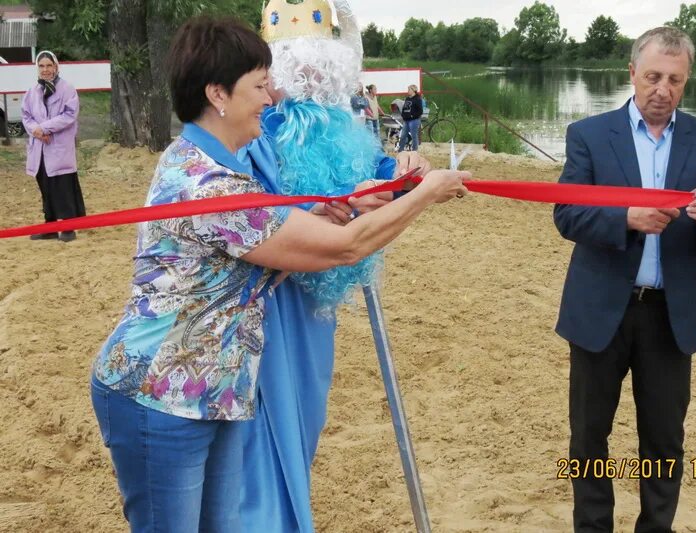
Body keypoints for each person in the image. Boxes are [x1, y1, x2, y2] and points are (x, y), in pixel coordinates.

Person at [89, 16, 467, 532]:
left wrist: (327, 209)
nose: (272, 99)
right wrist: (426, 193)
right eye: (261, 86)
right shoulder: (211, 184)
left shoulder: (217, 165)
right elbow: (344, 248)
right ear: (218, 93)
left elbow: (254, 242)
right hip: (161, 396)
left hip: (215, 391)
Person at [240, 1, 433, 529]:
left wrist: (402, 170)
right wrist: (336, 205)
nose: (310, 74)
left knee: (306, 411)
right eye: (299, 64)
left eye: (319, 63)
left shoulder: (344, 121)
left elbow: (372, 173)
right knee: (270, 414)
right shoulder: (263, 127)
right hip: (270, 291)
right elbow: (258, 206)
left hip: (321, 295)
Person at [553, 26, 696, 532]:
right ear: (632, 74)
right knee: (589, 437)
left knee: (663, 440)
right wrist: (626, 219)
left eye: (675, 80)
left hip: (669, 315)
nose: (663, 89)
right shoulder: (589, 135)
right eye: (654, 76)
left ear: (686, 81)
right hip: (599, 313)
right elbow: (566, 215)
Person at [21, 50, 85, 242]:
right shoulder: (32, 92)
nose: (46, 69)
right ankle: (49, 226)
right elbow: (26, 116)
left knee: (63, 187)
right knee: (46, 187)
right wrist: (37, 131)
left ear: (56, 67)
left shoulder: (67, 89)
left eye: (49, 65)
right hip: (40, 149)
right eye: (42, 66)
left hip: (59, 147)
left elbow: (68, 115)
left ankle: (68, 228)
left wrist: (45, 128)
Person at [397, 84, 423, 152]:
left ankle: (415, 150)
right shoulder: (407, 98)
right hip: (406, 120)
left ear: (413, 90)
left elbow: (420, 111)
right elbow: (404, 108)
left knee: (414, 136)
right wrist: (403, 115)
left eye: (409, 89)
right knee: (403, 135)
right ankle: (400, 149)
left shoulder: (417, 99)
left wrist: (412, 115)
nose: (408, 91)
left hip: (414, 121)